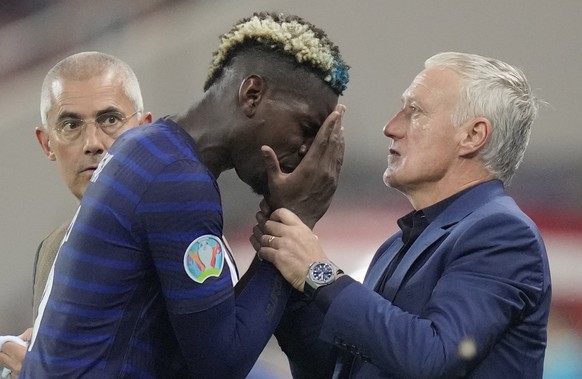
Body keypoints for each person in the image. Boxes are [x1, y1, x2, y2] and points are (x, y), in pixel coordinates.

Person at [20, 11, 350, 378]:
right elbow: (221, 366)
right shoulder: (177, 180)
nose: (307, 151)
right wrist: (294, 216)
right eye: (306, 128)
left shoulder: (150, 150)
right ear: (252, 94)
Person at [253, 52, 551, 378]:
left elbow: (432, 357)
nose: (391, 127)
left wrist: (317, 273)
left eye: (415, 111)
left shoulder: (503, 234)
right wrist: (292, 277)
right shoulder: (396, 246)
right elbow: (345, 368)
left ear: (473, 136)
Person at [0, 51, 152, 378]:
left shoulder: (182, 233)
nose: (93, 143)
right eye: (71, 125)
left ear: (145, 129)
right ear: (47, 144)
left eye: (110, 119)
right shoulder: (51, 252)